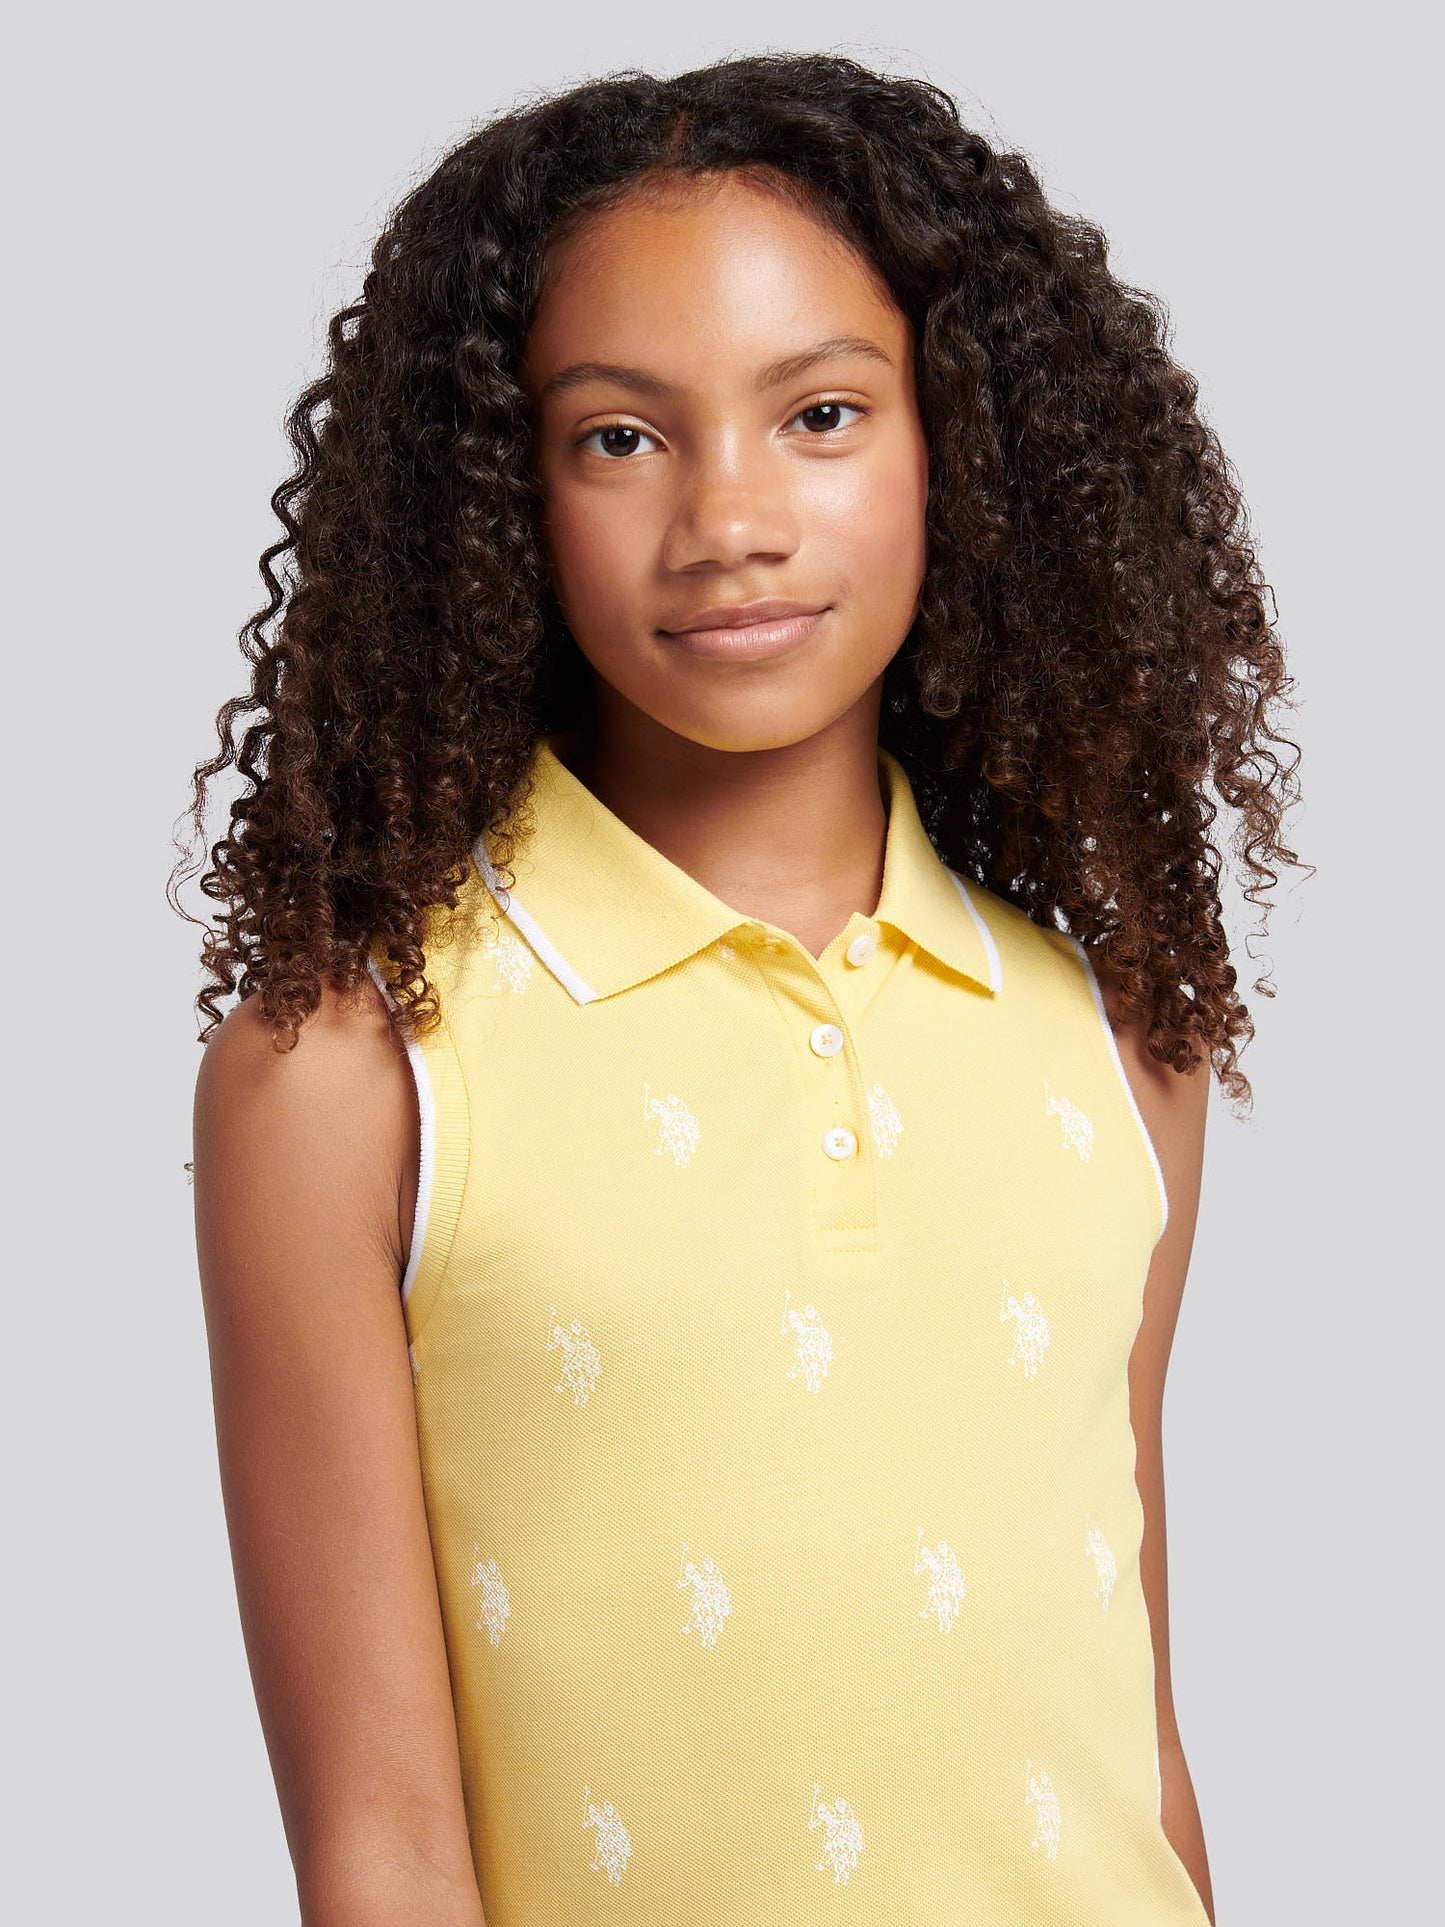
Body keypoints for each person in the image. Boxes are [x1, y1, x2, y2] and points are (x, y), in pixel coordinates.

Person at [179, 50, 1304, 1927]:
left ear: (961, 448)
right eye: (619, 438)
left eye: (822, 416)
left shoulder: (1117, 1046)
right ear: (502, 495)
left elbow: (1133, 1734)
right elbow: (382, 1849)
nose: (729, 520)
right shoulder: (355, 1071)